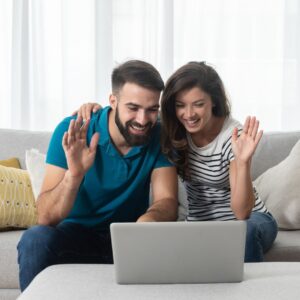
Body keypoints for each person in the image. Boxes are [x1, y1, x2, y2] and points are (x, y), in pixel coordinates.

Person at [78, 61, 278, 262]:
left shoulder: (233, 137)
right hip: (199, 225)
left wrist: (243, 163)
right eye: (180, 105)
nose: (189, 114)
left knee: (245, 233)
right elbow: (132, 112)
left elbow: (242, 213)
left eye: (198, 104)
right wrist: (93, 109)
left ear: (214, 102)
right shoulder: (173, 129)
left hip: (250, 221)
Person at [17, 60, 178, 291]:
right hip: (76, 237)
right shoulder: (73, 130)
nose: (143, 120)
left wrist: (148, 221)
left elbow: (167, 201)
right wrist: (74, 175)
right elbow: (45, 217)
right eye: (133, 108)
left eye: (152, 109)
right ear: (113, 101)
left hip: (129, 238)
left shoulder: (160, 135)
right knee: (35, 239)